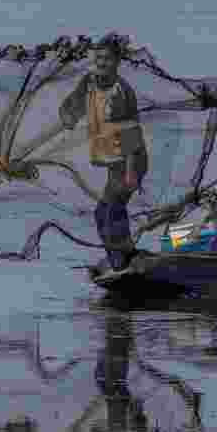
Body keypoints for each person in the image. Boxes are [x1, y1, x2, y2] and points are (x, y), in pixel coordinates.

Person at [59, 36, 148, 271]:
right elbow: (74, 105)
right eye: (98, 57)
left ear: (117, 62)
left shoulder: (122, 91)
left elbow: (131, 134)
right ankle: (122, 258)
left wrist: (130, 173)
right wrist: (68, 116)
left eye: (107, 58)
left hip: (131, 160)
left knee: (113, 211)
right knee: (101, 214)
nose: (101, 62)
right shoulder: (89, 81)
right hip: (113, 163)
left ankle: (122, 262)